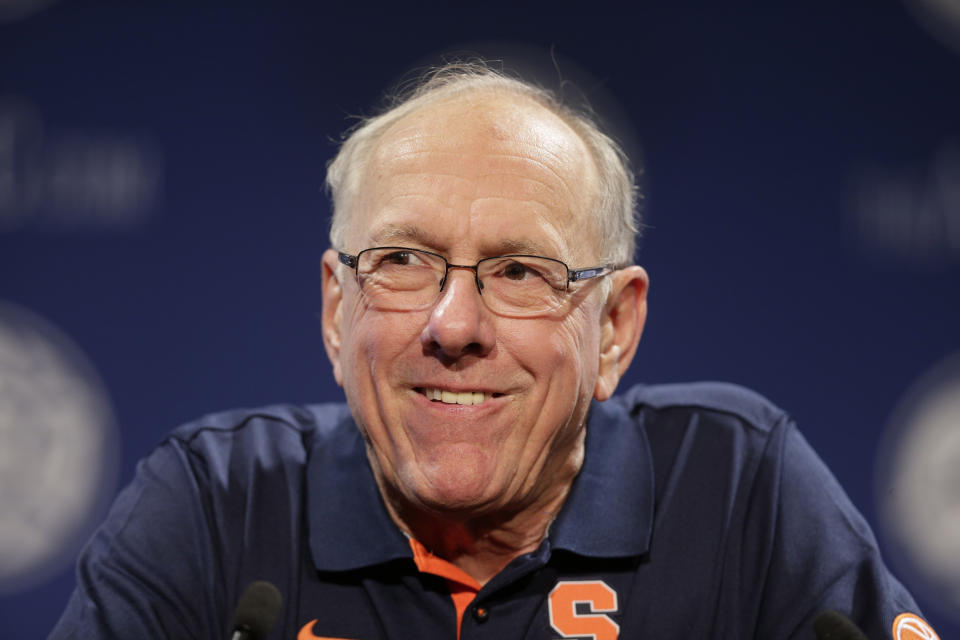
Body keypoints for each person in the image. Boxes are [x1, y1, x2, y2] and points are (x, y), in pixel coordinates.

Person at [50, 62, 937, 640]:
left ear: (614, 329)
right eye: (402, 261)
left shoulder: (739, 491)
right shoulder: (219, 506)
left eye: (520, 271)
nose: (454, 324)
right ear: (334, 306)